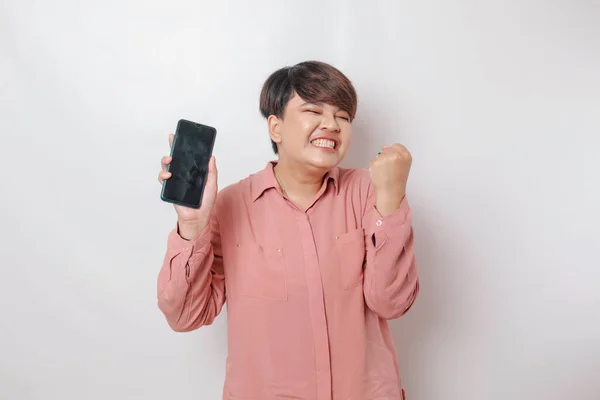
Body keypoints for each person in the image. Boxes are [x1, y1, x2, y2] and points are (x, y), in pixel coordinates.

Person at [156, 60, 419, 400]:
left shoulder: (371, 190)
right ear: (275, 128)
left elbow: (391, 302)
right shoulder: (231, 205)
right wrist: (192, 226)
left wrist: (392, 198)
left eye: (343, 116)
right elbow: (184, 315)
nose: (332, 125)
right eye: (314, 110)